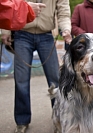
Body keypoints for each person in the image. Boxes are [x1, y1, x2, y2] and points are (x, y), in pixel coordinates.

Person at [1, 0, 72, 132]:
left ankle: (60, 119)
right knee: (21, 80)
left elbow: (63, 10)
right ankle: (22, 121)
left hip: (46, 35)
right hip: (22, 33)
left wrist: (66, 29)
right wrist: (5, 30)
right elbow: (8, 3)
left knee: (55, 80)